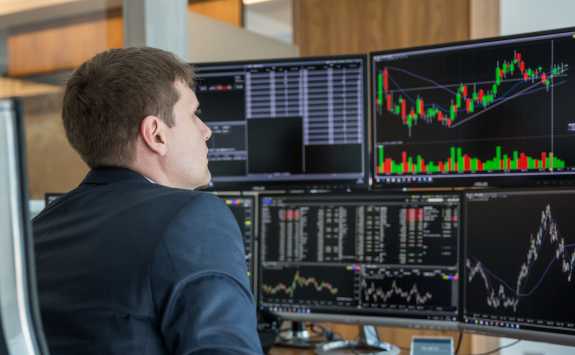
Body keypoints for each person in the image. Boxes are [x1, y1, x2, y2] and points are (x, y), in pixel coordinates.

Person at [32, 47, 263, 355]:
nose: (206, 131)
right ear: (156, 134)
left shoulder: (37, 231)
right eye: (194, 115)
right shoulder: (192, 216)